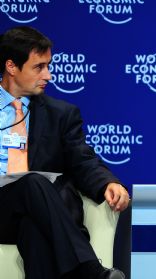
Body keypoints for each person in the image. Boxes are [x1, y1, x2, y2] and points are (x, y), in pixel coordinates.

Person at [0, 26, 129, 279]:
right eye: (39, 67)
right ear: (12, 67)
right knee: (32, 182)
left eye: (48, 65)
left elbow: (82, 158)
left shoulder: (60, 114)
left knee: (33, 229)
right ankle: (90, 269)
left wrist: (107, 183)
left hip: (31, 213)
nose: (48, 75)